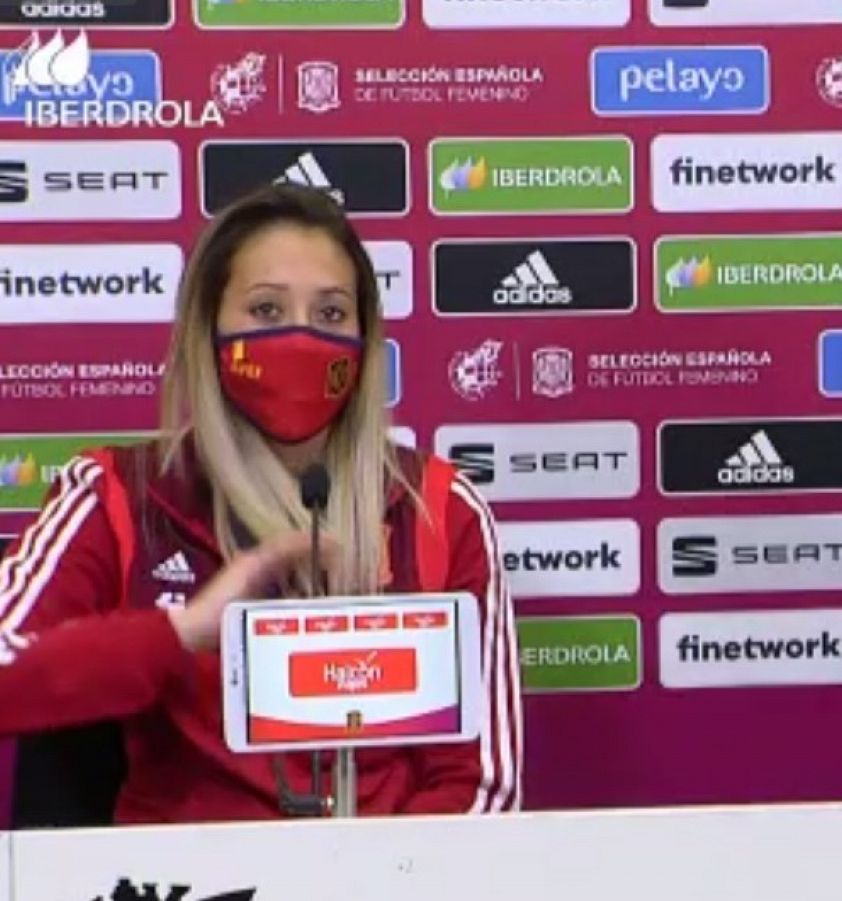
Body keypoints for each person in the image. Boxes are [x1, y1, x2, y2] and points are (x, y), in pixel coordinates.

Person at [0, 184, 523, 822]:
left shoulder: (442, 509)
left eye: (331, 314)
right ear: (208, 329)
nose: (300, 340)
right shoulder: (116, 494)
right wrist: (183, 633)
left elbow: (480, 789)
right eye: (267, 310)